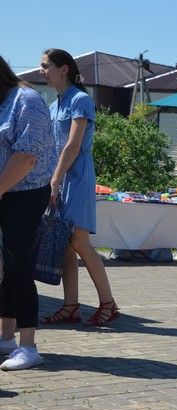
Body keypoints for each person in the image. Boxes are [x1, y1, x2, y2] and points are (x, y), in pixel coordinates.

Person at [40, 49, 119, 326]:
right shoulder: (54, 105)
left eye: (46, 66)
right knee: (65, 244)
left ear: (64, 69)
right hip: (59, 175)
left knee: (79, 241)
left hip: (77, 175)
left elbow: (73, 146)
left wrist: (55, 178)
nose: (42, 71)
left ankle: (108, 303)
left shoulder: (81, 100)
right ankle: (70, 306)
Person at [0, 56, 55, 370]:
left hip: (25, 194)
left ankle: (29, 345)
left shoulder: (27, 100)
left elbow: (26, 157)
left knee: (19, 267)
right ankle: (6, 336)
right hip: (5, 192)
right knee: (5, 267)